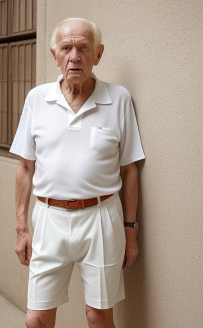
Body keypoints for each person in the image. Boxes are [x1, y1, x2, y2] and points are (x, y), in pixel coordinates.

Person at [9, 18, 145, 328]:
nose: (75, 56)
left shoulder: (118, 98)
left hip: (101, 218)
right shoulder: (37, 99)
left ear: (98, 54)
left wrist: (130, 229)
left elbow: (129, 170)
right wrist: (21, 228)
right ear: (54, 54)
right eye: (67, 48)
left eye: (84, 48)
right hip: (47, 217)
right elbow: (26, 167)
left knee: (97, 316)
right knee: (36, 320)